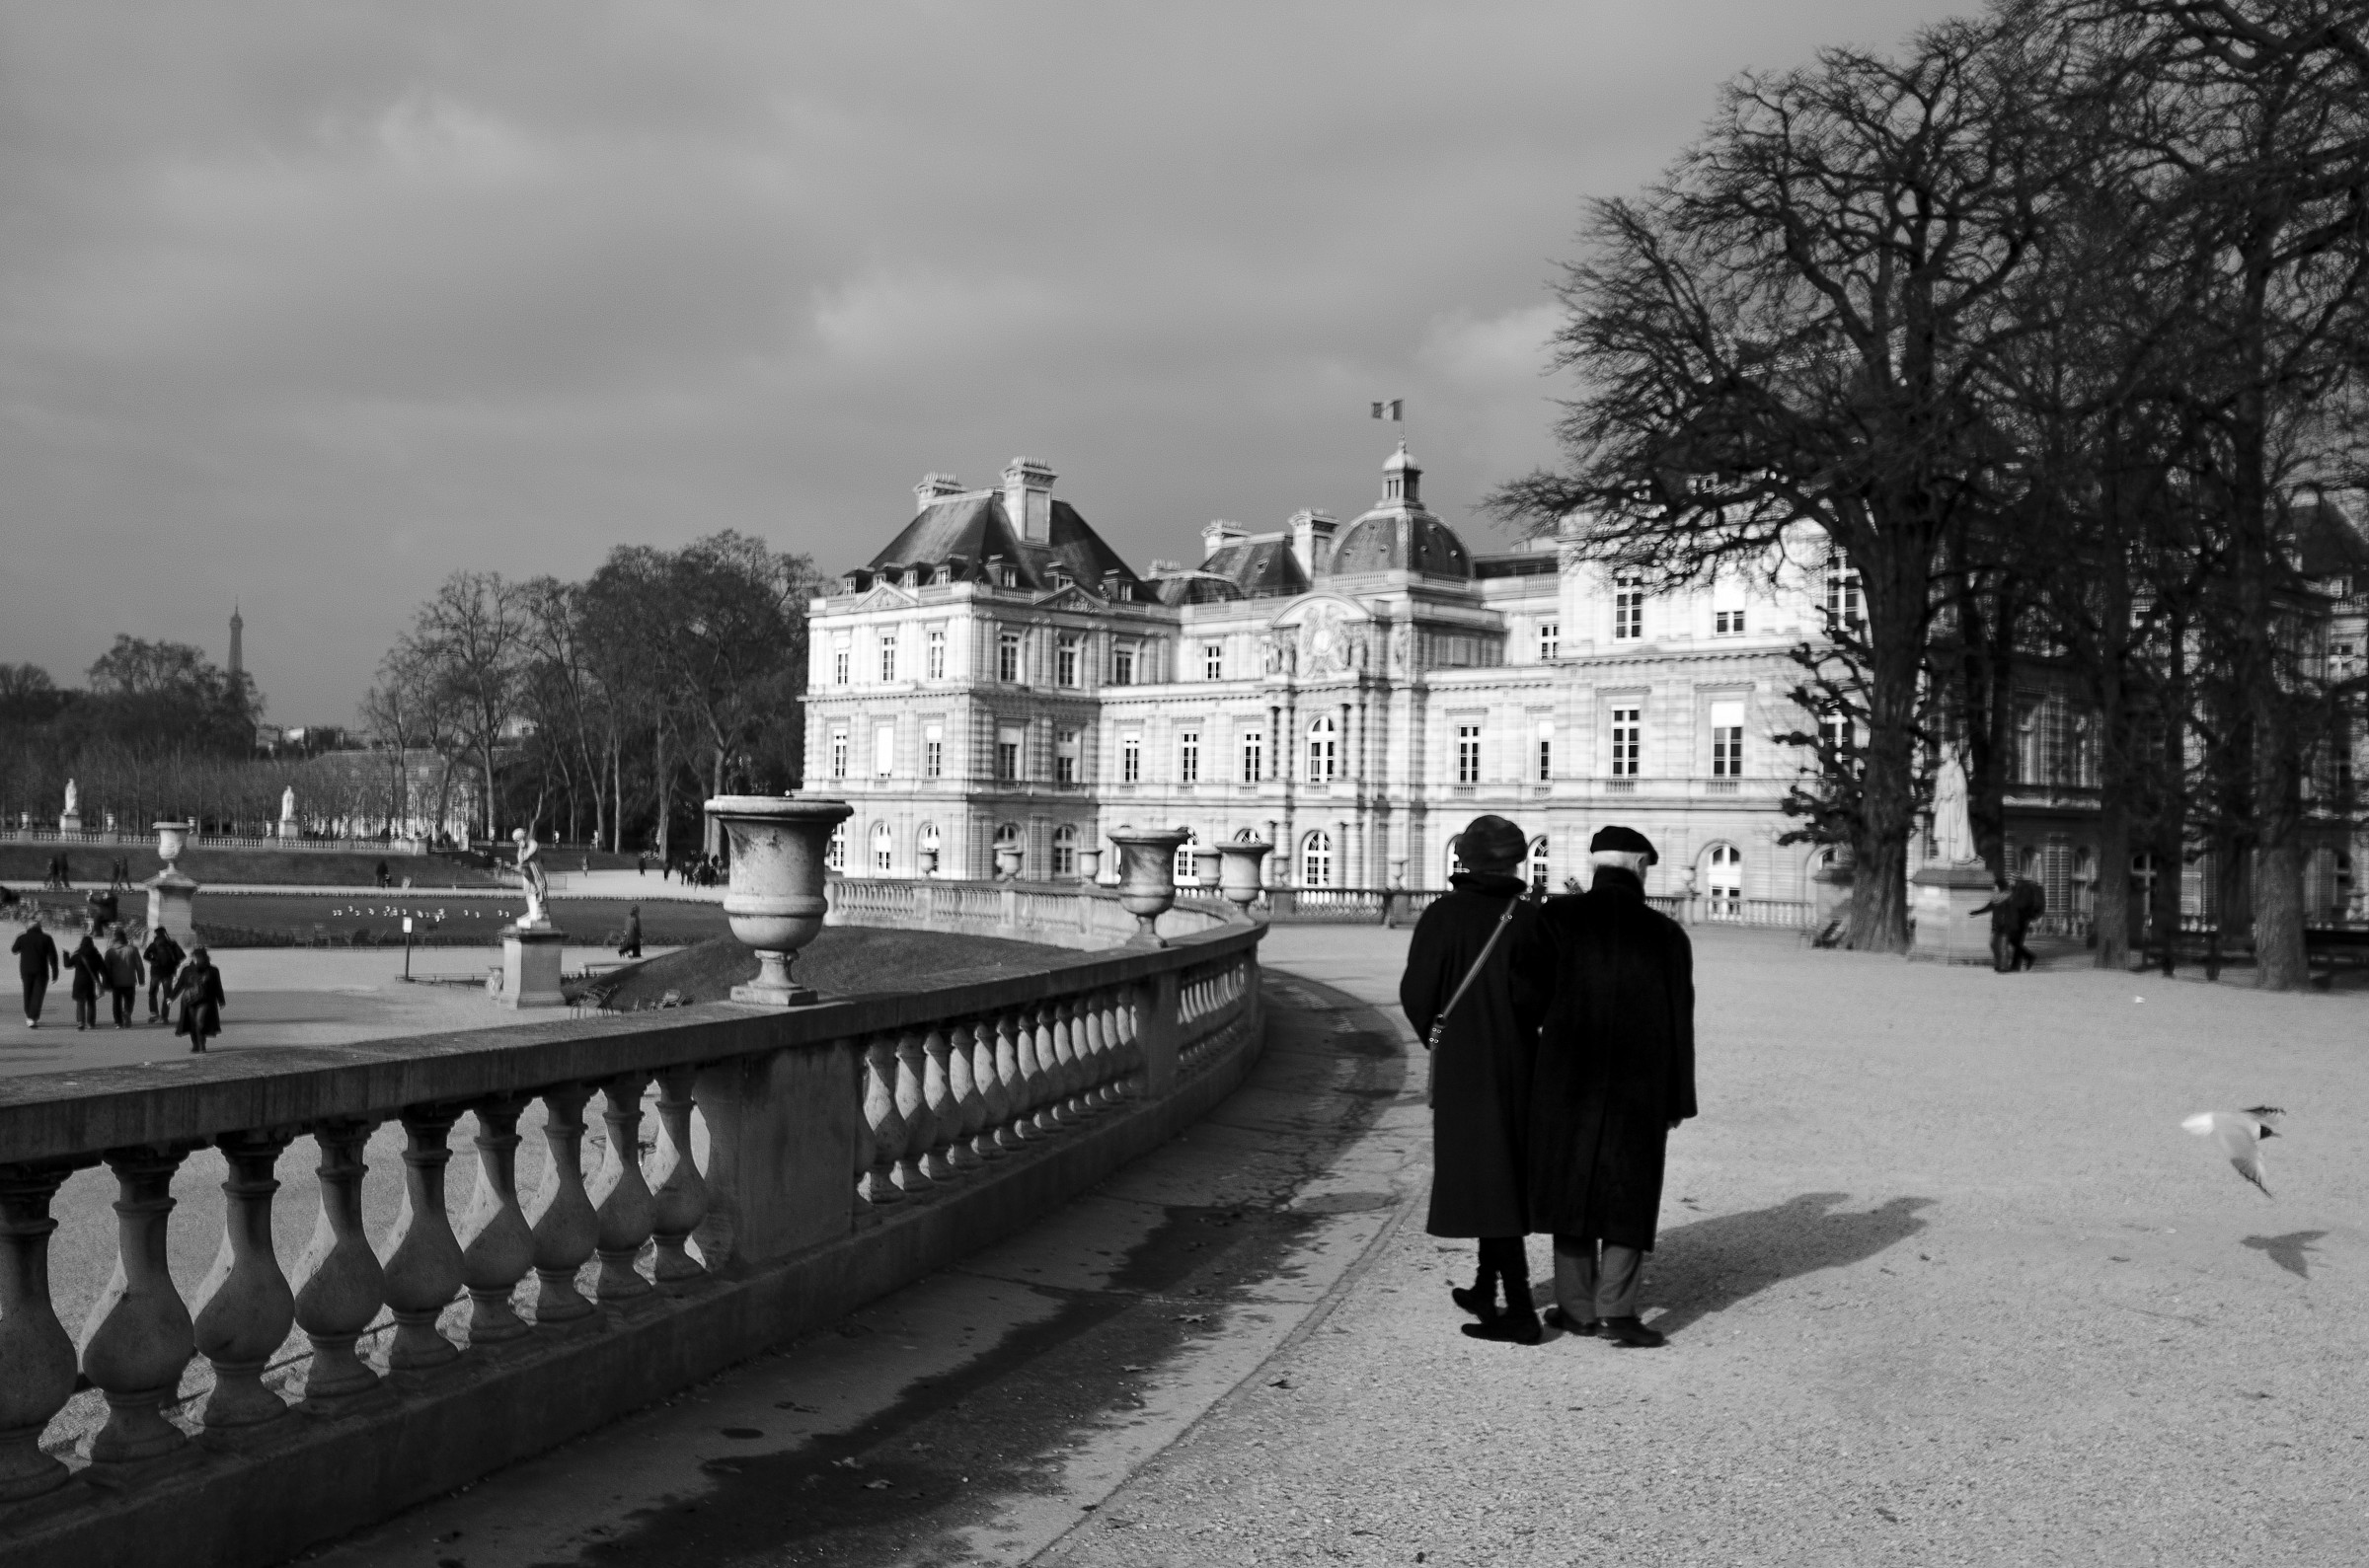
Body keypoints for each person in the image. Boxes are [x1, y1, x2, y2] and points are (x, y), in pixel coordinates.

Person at [1527, 825, 1699, 1350]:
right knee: (1630, 1189)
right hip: (1640, 1083)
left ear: (1598, 866)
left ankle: (1577, 1308)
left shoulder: (1555, 918)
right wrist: (1678, 1099)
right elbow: (1678, 1021)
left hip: (1566, 1077)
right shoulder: (1666, 934)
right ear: (1639, 867)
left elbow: (1527, 998)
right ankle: (1617, 1311)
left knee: (1570, 1185)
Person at [1399, 814, 1553, 1346]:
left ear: (1464, 860)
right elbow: (1541, 996)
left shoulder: (1443, 915)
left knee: (1488, 1179)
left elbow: (1417, 994)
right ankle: (1488, 1287)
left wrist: (1441, 1035)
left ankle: (1521, 1309)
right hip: (1516, 1061)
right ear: (1514, 861)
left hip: (1464, 1065)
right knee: (1501, 1169)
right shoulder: (1531, 917)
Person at [171, 944, 226, 1053]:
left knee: (200, 1022)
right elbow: (180, 985)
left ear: (205, 958)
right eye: (195, 957)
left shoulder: (212, 970)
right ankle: (195, 1044)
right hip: (189, 1001)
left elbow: (217, 986)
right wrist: (171, 998)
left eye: (199, 957)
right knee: (192, 1024)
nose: (196, 960)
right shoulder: (186, 970)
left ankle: (202, 1045)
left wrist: (221, 1000)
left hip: (206, 1001)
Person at [13, 912, 58, 1029]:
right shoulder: (47, 938)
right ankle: (32, 1017)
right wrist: (55, 972)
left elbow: (14, 950)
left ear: (28, 927)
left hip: (26, 970)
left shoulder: (22, 937)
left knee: (27, 993)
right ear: (40, 927)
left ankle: (29, 1017)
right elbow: (53, 956)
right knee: (38, 995)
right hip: (41, 970)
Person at [64, 929, 107, 1031]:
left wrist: (65, 955)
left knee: (80, 1002)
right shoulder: (96, 955)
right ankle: (91, 1023)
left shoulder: (78, 955)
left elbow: (67, 965)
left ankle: (80, 1023)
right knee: (91, 1002)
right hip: (91, 982)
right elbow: (103, 969)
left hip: (79, 982)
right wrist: (104, 982)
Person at [102, 927, 144, 1028]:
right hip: (129, 981)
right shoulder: (133, 949)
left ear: (114, 939)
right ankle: (127, 1012)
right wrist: (141, 980)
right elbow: (139, 965)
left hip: (116, 982)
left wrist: (105, 983)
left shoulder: (110, 952)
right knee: (129, 1000)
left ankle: (118, 1022)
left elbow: (105, 970)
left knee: (116, 1002)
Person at [143, 925, 185, 1022]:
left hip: (155, 972)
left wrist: (153, 961)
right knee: (167, 995)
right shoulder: (172, 944)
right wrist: (175, 964)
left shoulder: (153, 944)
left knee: (152, 993)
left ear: (156, 934)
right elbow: (182, 956)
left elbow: (145, 956)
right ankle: (164, 1017)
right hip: (168, 973)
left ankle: (154, 1014)